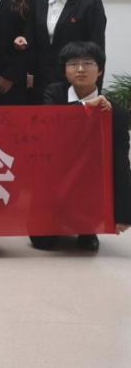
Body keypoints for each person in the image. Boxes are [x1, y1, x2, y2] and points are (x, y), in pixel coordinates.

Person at [37, 41, 130, 251]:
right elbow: (50, 126)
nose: (80, 69)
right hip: (55, 175)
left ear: (100, 70)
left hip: (90, 180)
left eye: (88, 63)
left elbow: (121, 162)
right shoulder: (54, 93)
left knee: (87, 246)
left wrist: (123, 214)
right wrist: (86, 108)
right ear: (65, 70)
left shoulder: (116, 111)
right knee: (43, 243)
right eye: (73, 64)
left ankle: (87, 228)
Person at [31, 0, 106, 99]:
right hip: (41, 82)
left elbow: (97, 48)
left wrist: (94, 89)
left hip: (76, 83)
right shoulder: (37, 1)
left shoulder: (90, 3)